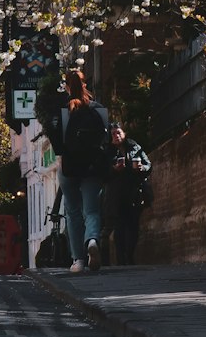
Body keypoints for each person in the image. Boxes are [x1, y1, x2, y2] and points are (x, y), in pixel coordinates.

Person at [58, 69, 110, 273]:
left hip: (69, 166)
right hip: (91, 167)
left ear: (67, 86)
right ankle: (92, 241)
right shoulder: (97, 109)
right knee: (92, 210)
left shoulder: (62, 110)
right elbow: (104, 140)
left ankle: (78, 260)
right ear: (85, 84)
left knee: (72, 212)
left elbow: (57, 142)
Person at [107, 122, 151, 265]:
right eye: (113, 134)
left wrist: (141, 168)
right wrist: (114, 169)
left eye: (118, 132)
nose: (116, 136)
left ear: (124, 133)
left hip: (134, 193)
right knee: (119, 227)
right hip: (116, 195)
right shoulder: (107, 151)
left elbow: (148, 165)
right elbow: (102, 173)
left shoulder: (134, 147)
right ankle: (121, 259)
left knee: (133, 226)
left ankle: (130, 255)